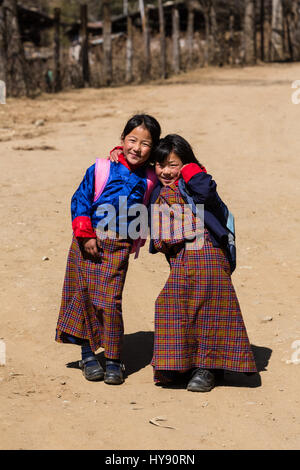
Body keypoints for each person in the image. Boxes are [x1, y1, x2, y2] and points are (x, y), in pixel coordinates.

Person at [55, 114, 161, 385]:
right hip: (86, 242)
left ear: (154, 148)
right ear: (122, 140)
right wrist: (85, 235)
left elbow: (176, 171)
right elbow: (80, 199)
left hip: (119, 247)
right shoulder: (102, 168)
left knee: (109, 302)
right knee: (84, 298)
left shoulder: (151, 177)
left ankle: (114, 359)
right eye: (131, 140)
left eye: (145, 143)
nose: (136, 148)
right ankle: (88, 356)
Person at [149, 134, 257, 392]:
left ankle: (207, 368)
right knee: (174, 305)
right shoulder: (157, 193)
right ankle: (183, 364)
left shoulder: (196, 183)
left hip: (208, 253)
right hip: (182, 258)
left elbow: (204, 191)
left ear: (185, 165)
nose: (166, 171)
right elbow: (157, 237)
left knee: (208, 307)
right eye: (160, 164)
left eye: (173, 165)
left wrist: (189, 169)